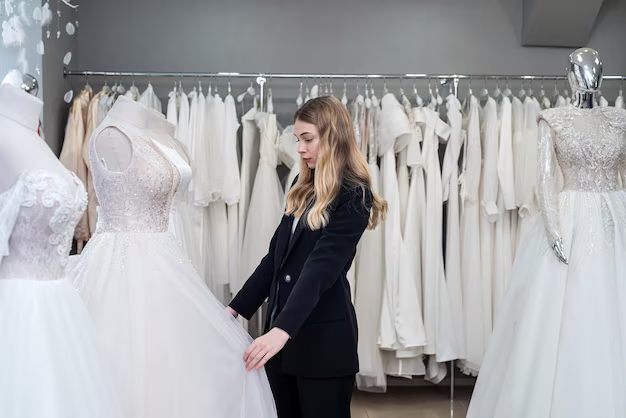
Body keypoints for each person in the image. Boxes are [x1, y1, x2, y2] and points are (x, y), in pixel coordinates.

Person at [466, 48, 626, 418]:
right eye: (582, 70)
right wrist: (554, 230)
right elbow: (543, 180)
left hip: (616, 216)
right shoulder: (551, 119)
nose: (590, 76)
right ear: (570, 76)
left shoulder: (620, 120)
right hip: (570, 216)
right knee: (567, 311)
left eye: (596, 69)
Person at [227, 95, 387, 418]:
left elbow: (321, 268)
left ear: (333, 137)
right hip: (282, 345)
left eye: (307, 139)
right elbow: (274, 261)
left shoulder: (354, 196)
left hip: (323, 346)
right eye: (298, 139)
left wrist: (280, 330)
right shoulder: (303, 190)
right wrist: (233, 309)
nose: (299, 148)